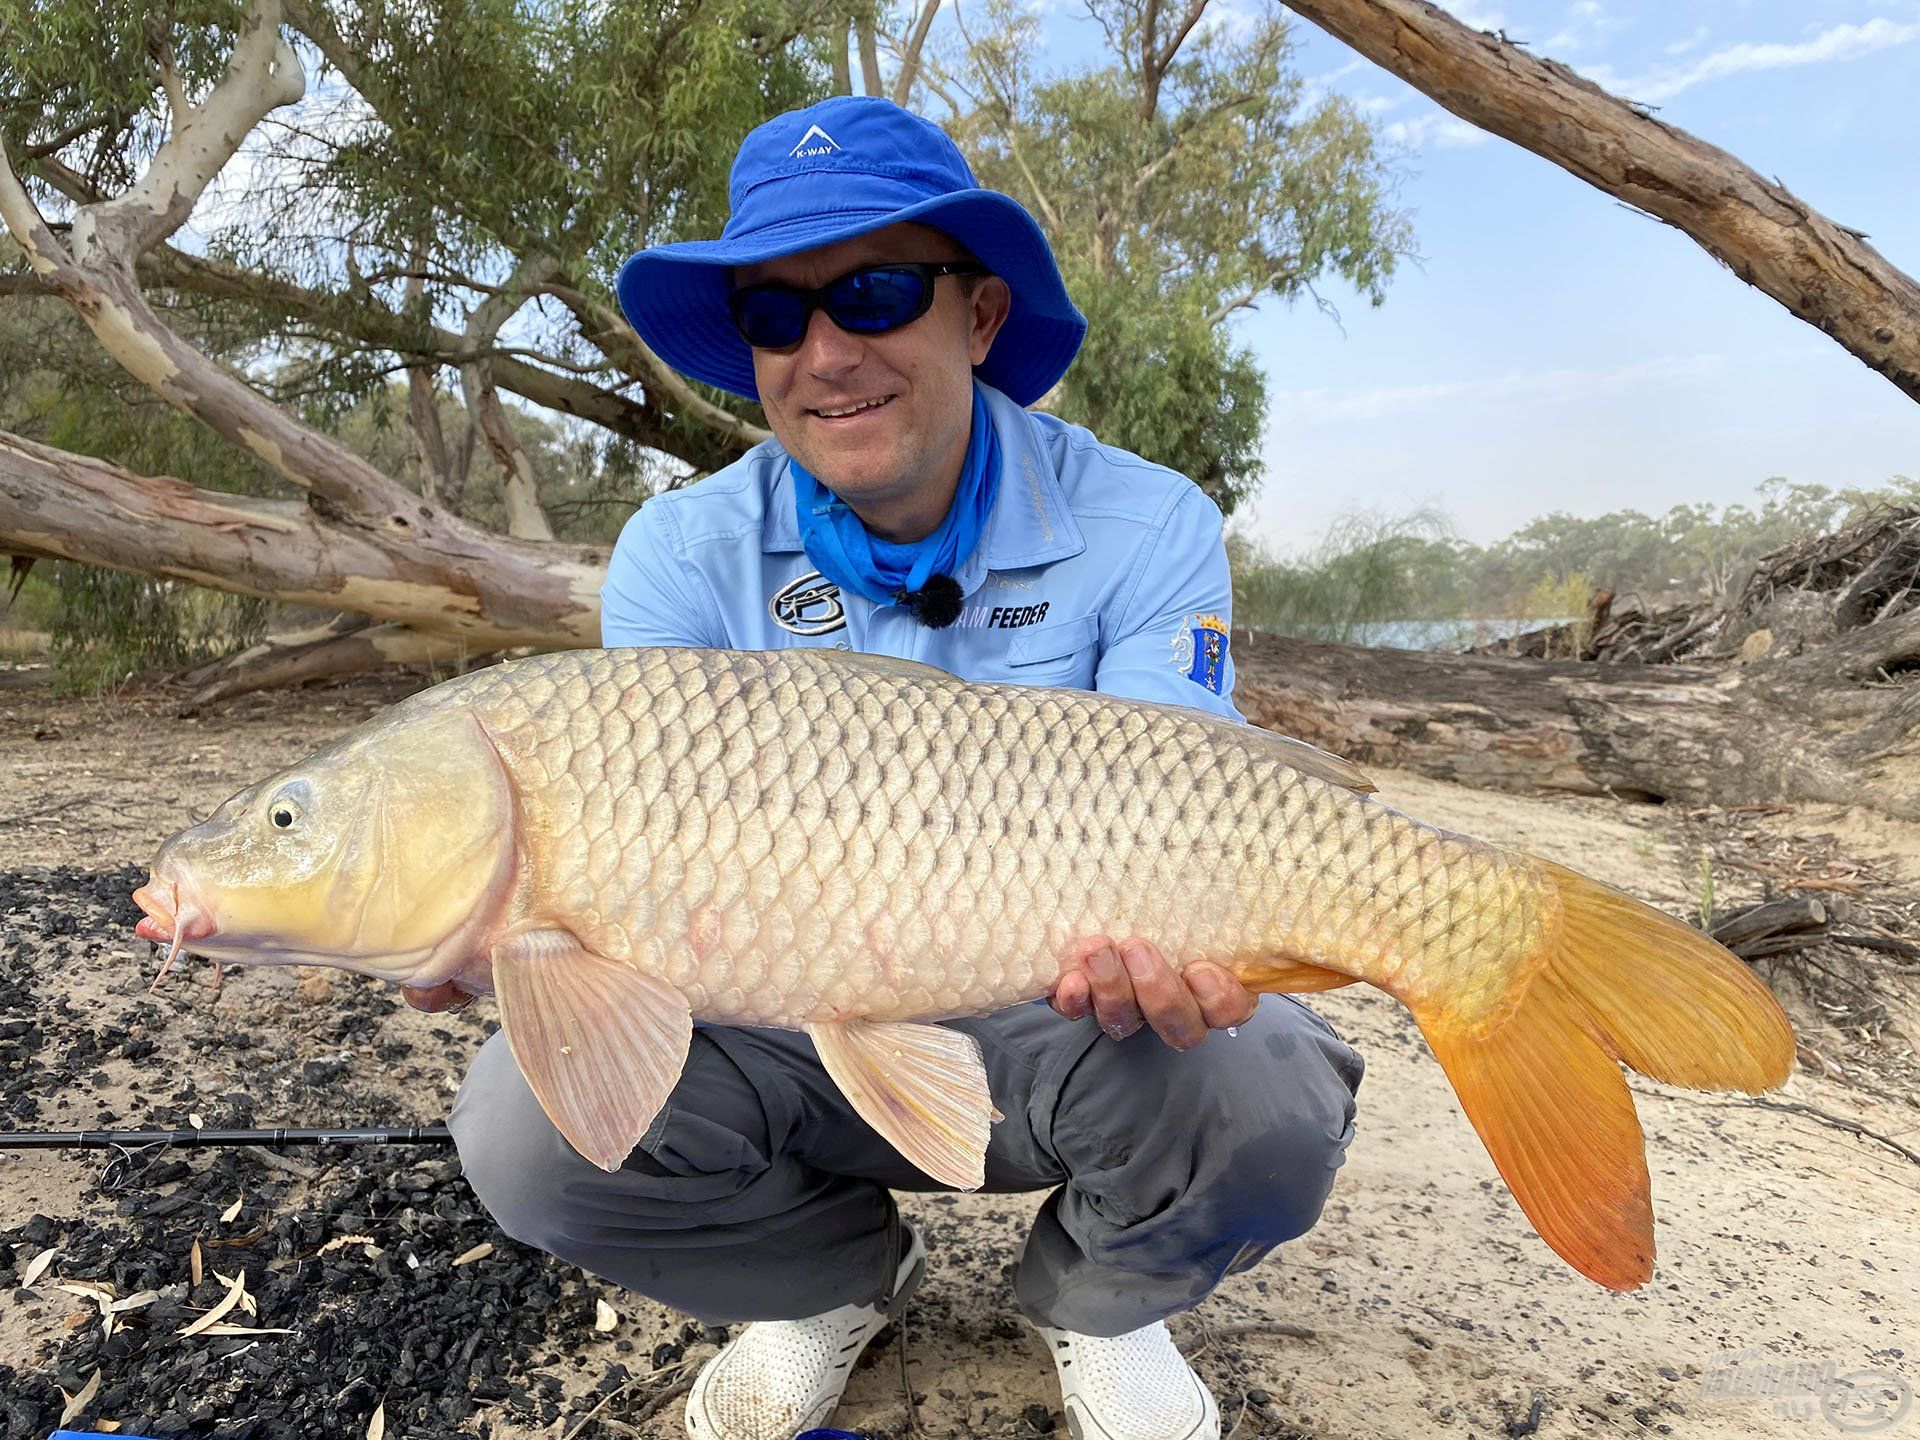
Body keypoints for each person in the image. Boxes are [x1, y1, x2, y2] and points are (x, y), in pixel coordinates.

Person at [429, 96, 1363, 1440]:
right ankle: (826, 1281)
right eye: (776, 315)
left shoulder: (1147, 522)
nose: (825, 352)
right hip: (785, 1021)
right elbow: (619, 926)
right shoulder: (681, 556)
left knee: (1262, 1087)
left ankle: (1107, 1300)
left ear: (980, 319)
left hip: (1068, 1012)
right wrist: (511, 936)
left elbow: (1192, 804)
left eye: (872, 292)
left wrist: (1201, 949)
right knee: (528, 1125)